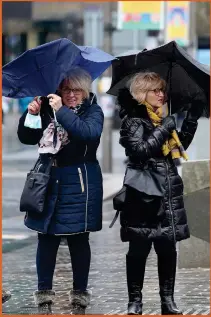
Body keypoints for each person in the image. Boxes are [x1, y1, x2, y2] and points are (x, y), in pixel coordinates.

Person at [17, 67, 104, 314]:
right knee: (46, 239)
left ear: (86, 91)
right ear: (59, 90)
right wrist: (31, 114)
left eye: (77, 90)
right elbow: (26, 137)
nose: (72, 94)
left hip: (80, 181)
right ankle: (44, 296)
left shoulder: (93, 111)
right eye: (67, 89)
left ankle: (80, 295)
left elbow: (87, 133)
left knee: (79, 240)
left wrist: (61, 110)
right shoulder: (47, 108)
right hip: (49, 179)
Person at [116, 72, 203, 315]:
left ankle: (168, 300)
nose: (161, 95)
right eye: (155, 90)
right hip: (142, 194)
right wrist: (164, 128)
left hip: (167, 190)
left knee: (167, 248)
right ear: (142, 93)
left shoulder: (161, 119)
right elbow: (139, 151)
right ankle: (135, 301)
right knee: (138, 249)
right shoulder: (133, 121)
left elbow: (179, 143)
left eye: (162, 90)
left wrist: (192, 117)